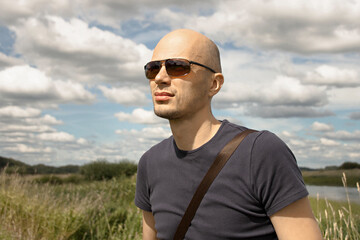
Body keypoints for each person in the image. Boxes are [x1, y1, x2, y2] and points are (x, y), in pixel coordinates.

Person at [135, 29, 323, 240]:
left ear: (214, 84)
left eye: (177, 67)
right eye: (152, 68)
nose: (160, 78)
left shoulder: (260, 152)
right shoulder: (150, 163)